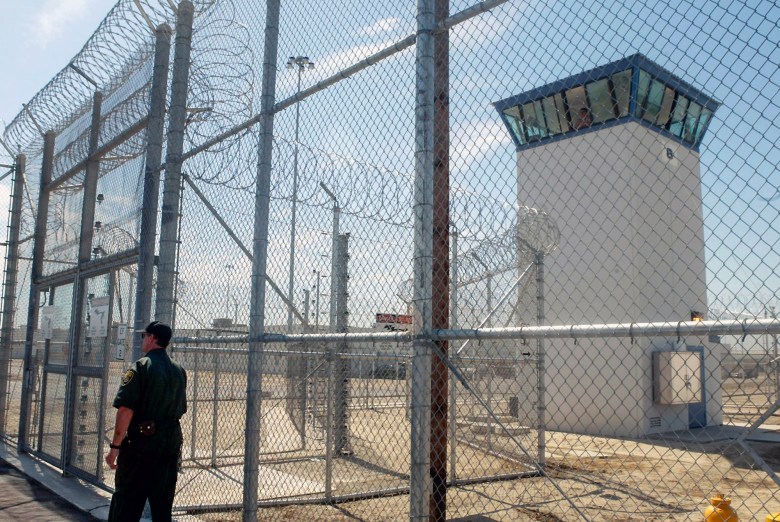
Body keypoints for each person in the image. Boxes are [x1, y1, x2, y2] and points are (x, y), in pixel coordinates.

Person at [105, 321, 187, 521]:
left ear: (152, 338)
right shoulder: (179, 370)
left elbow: (125, 410)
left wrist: (115, 447)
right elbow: (181, 408)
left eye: (144, 336)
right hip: (170, 441)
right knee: (162, 502)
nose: (142, 340)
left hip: (142, 443)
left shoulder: (140, 367)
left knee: (127, 499)